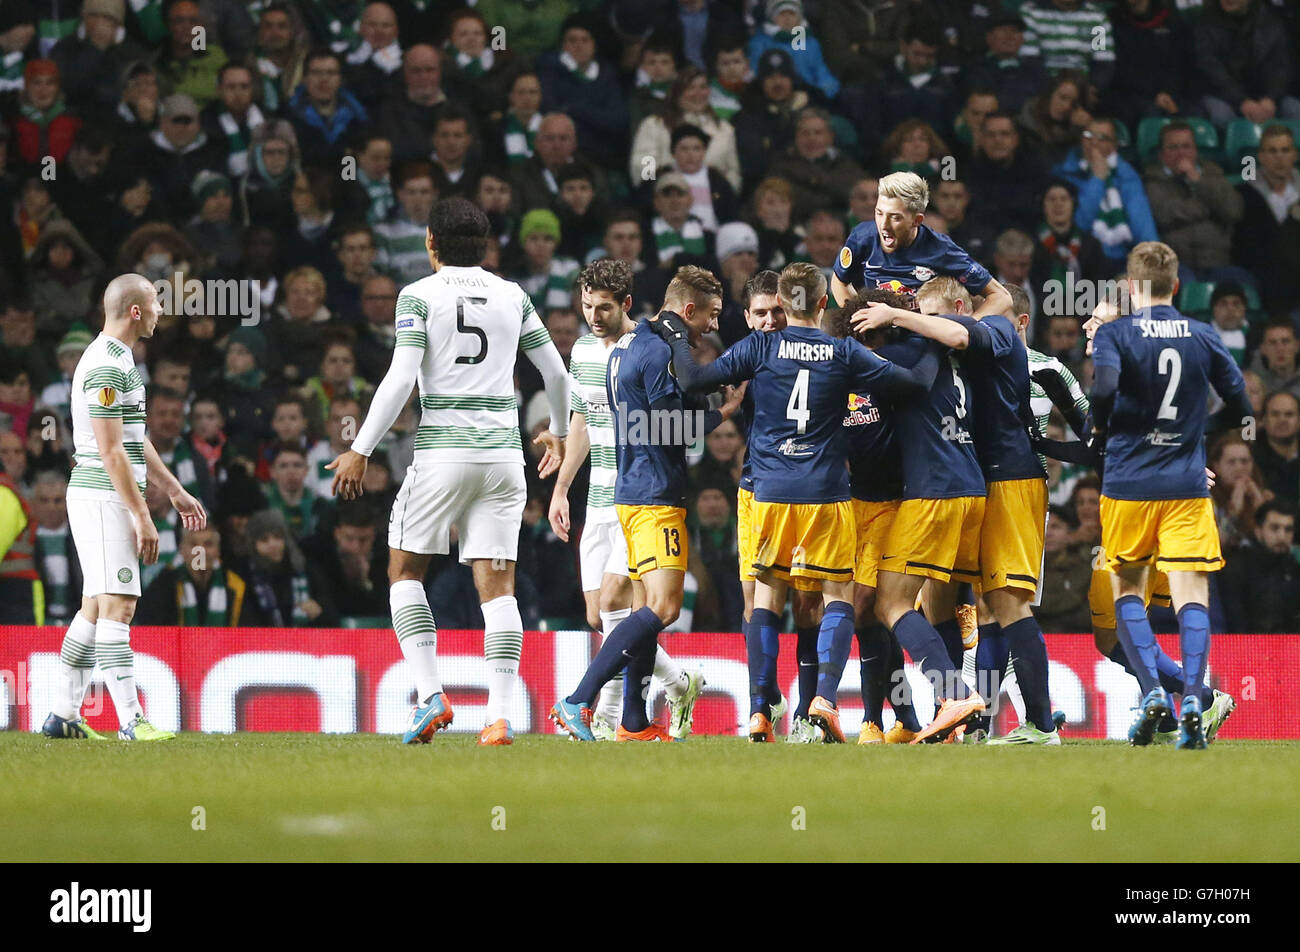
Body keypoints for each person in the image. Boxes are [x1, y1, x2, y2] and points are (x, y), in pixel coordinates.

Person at [655, 263, 939, 743]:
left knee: (766, 599)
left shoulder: (760, 347)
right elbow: (913, 383)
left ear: (784, 305)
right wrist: (932, 340)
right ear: (824, 303)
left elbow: (691, 379)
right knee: (836, 597)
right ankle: (822, 700)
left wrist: (675, 334)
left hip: (769, 493)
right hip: (826, 494)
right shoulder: (843, 350)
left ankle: (760, 711)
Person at [328, 197, 570, 747]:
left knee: (404, 572)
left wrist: (361, 449)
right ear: (484, 246)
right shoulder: (513, 295)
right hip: (503, 458)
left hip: (443, 453)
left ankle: (430, 695)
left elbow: (401, 377)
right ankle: (499, 717)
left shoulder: (418, 295)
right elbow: (555, 372)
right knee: (499, 589)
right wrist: (557, 429)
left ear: (431, 243)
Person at [855, 276, 1060, 745]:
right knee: (945, 600)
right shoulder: (950, 354)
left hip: (998, 481)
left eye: (931, 318)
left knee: (991, 604)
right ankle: (963, 721)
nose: (925, 326)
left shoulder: (994, 333)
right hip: (975, 481)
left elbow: (955, 336)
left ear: (961, 309)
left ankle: (1023, 718)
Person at [549, 266, 741, 742]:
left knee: (637, 607)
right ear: (689, 309)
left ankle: (633, 721)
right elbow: (666, 426)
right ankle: (579, 699)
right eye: (712, 315)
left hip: (630, 492)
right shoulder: (656, 352)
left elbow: (643, 418)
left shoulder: (624, 350)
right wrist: (724, 412)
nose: (714, 325)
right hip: (655, 495)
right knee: (663, 607)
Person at [1088, 241, 1251, 748]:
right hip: (1185, 486)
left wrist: (1102, 427)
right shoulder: (1202, 335)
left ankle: (1155, 692)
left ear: (1133, 287)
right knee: (1191, 596)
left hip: (1128, 485)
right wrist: (1193, 431)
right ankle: (1195, 698)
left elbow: (1103, 390)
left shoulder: (1116, 334)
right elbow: (1242, 404)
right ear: (1177, 285)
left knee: (1128, 593)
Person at [42, 273, 206, 742]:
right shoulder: (106, 365)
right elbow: (111, 451)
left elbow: (133, 439)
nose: (160, 310)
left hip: (102, 494)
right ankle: (132, 721)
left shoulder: (118, 359)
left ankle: (62, 715)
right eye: (155, 302)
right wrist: (141, 514)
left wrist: (173, 489)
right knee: (120, 605)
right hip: (101, 496)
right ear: (136, 311)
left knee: (95, 607)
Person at [826, 287, 928, 744]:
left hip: (894, 502)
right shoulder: (839, 376)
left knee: (867, 605)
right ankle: (905, 719)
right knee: (870, 615)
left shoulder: (892, 376)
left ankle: (871, 720)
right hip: (852, 502)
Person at [832, 171, 1012, 319]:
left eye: (895, 217)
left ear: (917, 220)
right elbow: (839, 282)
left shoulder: (941, 249)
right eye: (879, 213)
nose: (883, 225)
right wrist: (858, 318)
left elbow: (1001, 297)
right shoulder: (862, 238)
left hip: (923, 338)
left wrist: (969, 328)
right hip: (879, 336)